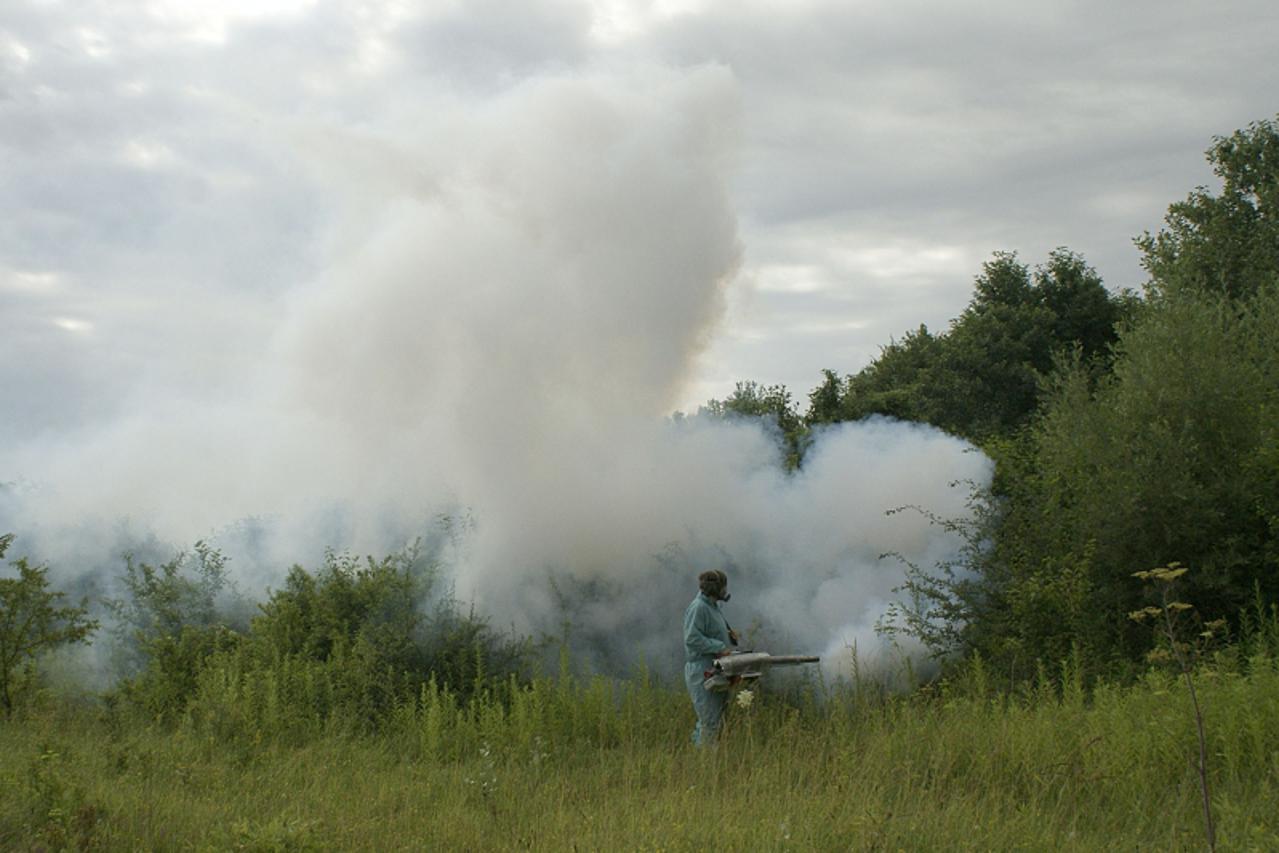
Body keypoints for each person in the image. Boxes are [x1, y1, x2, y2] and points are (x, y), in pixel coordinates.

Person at [683, 569, 739, 746]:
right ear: (717, 588)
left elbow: (710, 632)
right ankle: (705, 764)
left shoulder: (713, 606)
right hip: (702, 669)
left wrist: (729, 636)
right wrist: (719, 646)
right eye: (723, 586)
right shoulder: (698, 607)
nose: (725, 590)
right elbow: (691, 638)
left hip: (716, 668)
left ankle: (704, 758)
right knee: (710, 721)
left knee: (716, 719)